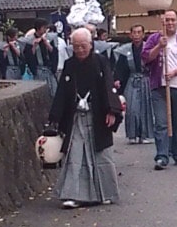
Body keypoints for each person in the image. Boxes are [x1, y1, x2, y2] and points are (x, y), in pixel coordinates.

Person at [50, 28, 123, 209]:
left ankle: (105, 193)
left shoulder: (101, 62)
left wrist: (112, 111)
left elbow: (108, 86)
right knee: (74, 155)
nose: (80, 50)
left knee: (101, 155)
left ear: (90, 44)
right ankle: (72, 195)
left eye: (83, 46)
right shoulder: (69, 64)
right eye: (76, 46)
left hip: (97, 115)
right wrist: (55, 117)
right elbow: (62, 92)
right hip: (76, 117)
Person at [143, 10, 177, 169]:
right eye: (167, 20)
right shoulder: (154, 38)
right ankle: (162, 156)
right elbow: (146, 57)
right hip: (159, 87)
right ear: (163, 22)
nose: (170, 23)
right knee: (161, 122)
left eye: (173, 20)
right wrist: (159, 46)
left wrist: (175, 72)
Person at [114, 24, 155, 144]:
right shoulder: (125, 50)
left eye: (139, 32)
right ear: (130, 34)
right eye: (134, 32)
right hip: (131, 80)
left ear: (143, 34)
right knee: (132, 109)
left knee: (146, 108)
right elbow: (120, 68)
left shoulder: (149, 48)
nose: (136, 35)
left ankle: (145, 135)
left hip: (146, 80)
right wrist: (117, 79)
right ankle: (132, 134)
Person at [24, 18, 59, 97]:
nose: (45, 30)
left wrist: (46, 42)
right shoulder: (30, 40)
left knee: (54, 92)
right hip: (38, 69)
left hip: (49, 69)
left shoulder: (51, 37)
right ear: (38, 28)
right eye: (44, 28)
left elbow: (54, 52)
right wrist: (34, 46)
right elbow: (29, 56)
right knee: (41, 94)